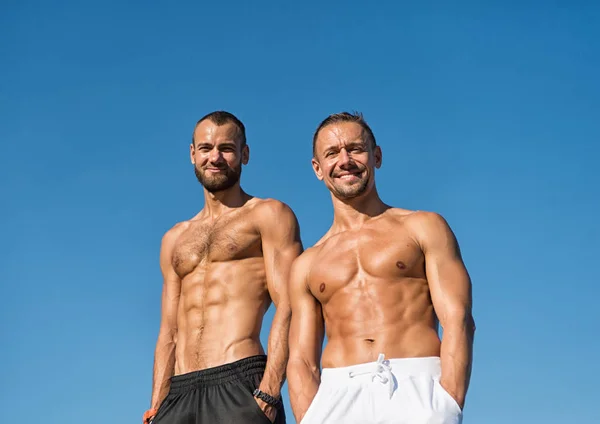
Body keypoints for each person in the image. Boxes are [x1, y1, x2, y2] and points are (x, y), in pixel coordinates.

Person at [287, 112, 475, 424]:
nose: (345, 160)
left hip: (416, 386)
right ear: (318, 169)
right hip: (337, 396)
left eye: (355, 149)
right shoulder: (307, 264)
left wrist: (447, 403)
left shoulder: (423, 227)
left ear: (377, 156)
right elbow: (302, 360)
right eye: (332, 153)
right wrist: (310, 417)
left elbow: (459, 320)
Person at [143, 111, 303, 424]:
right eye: (205, 148)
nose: (215, 157)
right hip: (178, 394)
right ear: (192, 154)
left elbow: (290, 306)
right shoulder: (174, 238)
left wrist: (269, 391)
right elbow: (169, 331)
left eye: (226, 148)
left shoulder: (268, 215)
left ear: (244, 154)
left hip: (241, 382)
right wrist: (157, 404)